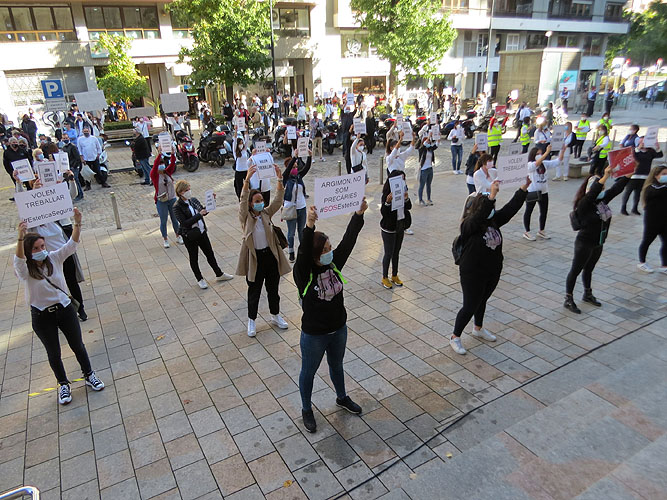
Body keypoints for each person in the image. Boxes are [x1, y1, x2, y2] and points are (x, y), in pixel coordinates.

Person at [14, 209, 105, 404]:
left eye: (42, 246)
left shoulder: (54, 258)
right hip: (42, 315)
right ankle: (63, 384)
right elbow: (19, 260)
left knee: (78, 345)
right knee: (54, 352)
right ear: (29, 252)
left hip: (64, 309)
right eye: (35, 248)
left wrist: (77, 223)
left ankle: (89, 374)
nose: (41, 250)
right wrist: (20, 238)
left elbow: (71, 245)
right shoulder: (25, 270)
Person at [294, 200, 368, 433]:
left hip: (338, 329)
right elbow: (303, 253)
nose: (329, 252)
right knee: (309, 371)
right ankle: (307, 409)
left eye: (330, 248)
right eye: (324, 250)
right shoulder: (304, 273)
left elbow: (349, 240)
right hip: (314, 335)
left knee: (336, 365)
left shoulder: (333, 264)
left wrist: (358, 214)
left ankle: (342, 397)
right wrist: (309, 226)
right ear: (315, 254)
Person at [450, 177, 531, 355]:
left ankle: (478, 328)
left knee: (482, 300)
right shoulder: (468, 225)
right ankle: (455, 336)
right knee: (470, 305)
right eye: (487, 207)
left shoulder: (493, 220)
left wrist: (523, 188)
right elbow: (479, 215)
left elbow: (510, 209)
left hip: (492, 270)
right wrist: (491, 197)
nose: (491, 210)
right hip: (472, 272)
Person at [564, 166, 631, 313]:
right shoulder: (584, 203)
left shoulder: (602, 201)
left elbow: (616, 189)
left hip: (598, 242)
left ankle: (587, 294)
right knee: (575, 270)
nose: (602, 190)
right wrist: (604, 176)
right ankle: (568, 298)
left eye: (603, 188)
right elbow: (593, 193)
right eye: (600, 187)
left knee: (589, 269)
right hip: (584, 243)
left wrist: (628, 174)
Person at [236, 164, 290, 337]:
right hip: (255, 259)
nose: (260, 203)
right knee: (254, 291)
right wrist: (246, 181)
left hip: (270, 257)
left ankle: (275, 315)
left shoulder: (266, 213)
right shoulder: (245, 217)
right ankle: (251, 320)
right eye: (257, 201)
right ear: (251, 203)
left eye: (261, 200)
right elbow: (242, 201)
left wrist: (279, 179)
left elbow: (278, 200)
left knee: (273, 289)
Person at [173, 180, 233, 289]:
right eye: (186, 190)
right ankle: (199, 279)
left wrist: (211, 201)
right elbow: (184, 223)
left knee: (210, 254)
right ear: (181, 192)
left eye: (189, 189)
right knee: (194, 257)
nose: (189, 191)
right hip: (190, 235)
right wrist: (199, 215)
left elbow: (203, 211)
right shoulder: (177, 206)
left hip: (201, 232)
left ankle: (219, 273)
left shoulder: (193, 200)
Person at [380, 171, 411, 289]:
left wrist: (406, 199)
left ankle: (394, 275)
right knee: (388, 253)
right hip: (389, 228)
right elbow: (384, 213)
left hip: (400, 226)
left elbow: (409, 207)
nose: (403, 182)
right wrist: (388, 202)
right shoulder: (387, 194)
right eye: (400, 179)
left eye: (404, 179)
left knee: (396, 252)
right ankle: (384, 277)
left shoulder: (403, 192)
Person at [523, 145, 560, 241]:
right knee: (529, 211)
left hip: (544, 191)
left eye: (541, 153)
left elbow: (557, 162)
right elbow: (536, 164)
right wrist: (547, 153)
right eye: (537, 154)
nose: (540, 155)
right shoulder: (530, 164)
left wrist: (563, 150)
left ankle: (541, 230)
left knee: (544, 211)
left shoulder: (544, 163)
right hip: (532, 191)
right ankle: (527, 231)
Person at [637, 165, 667, 273]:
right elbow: (659, 191)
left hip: (664, 220)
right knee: (647, 241)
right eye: (664, 174)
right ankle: (642, 262)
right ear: (656, 175)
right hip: (652, 221)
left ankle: (664, 265)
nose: (666, 176)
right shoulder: (650, 188)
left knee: (666, 243)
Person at [151, 151, 183, 248]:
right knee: (163, 220)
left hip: (172, 199)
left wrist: (173, 154)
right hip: (162, 201)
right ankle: (165, 239)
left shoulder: (167, 172)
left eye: (163, 164)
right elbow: (155, 165)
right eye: (160, 164)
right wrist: (159, 154)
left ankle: (178, 235)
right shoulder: (154, 175)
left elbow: (172, 163)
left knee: (175, 219)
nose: (162, 166)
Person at [622, 138, 662, 216]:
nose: (642, 143)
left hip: (644, 176)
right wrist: (638, 149)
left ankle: (634, 208)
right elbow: (629, 157)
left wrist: (657, 148)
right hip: (633, 176)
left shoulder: (650, 151)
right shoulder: (634, 150)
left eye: (644, 141)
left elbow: (660, 155)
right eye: (641, 142)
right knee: (628, 192)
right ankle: (623, 208)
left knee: (638, 193)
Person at [283, 154, 312, 262]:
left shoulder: (299, 176)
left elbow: (307, 167)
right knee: (291, 233)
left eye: (296, 167)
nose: (295, 169)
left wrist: (309, 156)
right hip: (291, 208)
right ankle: (291, 252)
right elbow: (287, 171)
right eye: (293, 167)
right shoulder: (285, 178)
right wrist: (294, 157)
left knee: (301, 231)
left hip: (302, 208)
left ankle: (302, 251)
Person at [77, 125, 110, 189]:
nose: (86, 133)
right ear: (82, 132)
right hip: (86, 159)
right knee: (87, 173)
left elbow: (98, 147)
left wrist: (98, 154)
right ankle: (88, 185)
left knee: (98, 171)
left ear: (89, 131)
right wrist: (82, 158)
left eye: (87, 131)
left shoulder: (94, 138)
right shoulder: (80, 139)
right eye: (85, 132)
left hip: (94, 158)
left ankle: (103, 182)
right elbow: (79, 149)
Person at [418, 131, 437, 204]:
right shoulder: (421, 149)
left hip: (430, 168)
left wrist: (437, 137)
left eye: (429, 141)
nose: (429, 142)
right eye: (428, 141)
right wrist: (429, 136)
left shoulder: (430, 149)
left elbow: (436, 145)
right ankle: (420, 199)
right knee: (422, 185)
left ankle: (429, 199)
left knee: (429, 185)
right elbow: (424, 144)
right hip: (424, 169)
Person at [233, 131, 250, 199]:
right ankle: (240, 199)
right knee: (239, 187)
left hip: (246, 170)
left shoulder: (244, 150)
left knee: (249, 185)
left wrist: (246, 131)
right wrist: (236, 131)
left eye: (242, 143)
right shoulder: (235, 151)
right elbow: (234, 140)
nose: (241, 144)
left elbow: (247, 140)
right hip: (239, 171)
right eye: (240, 143)